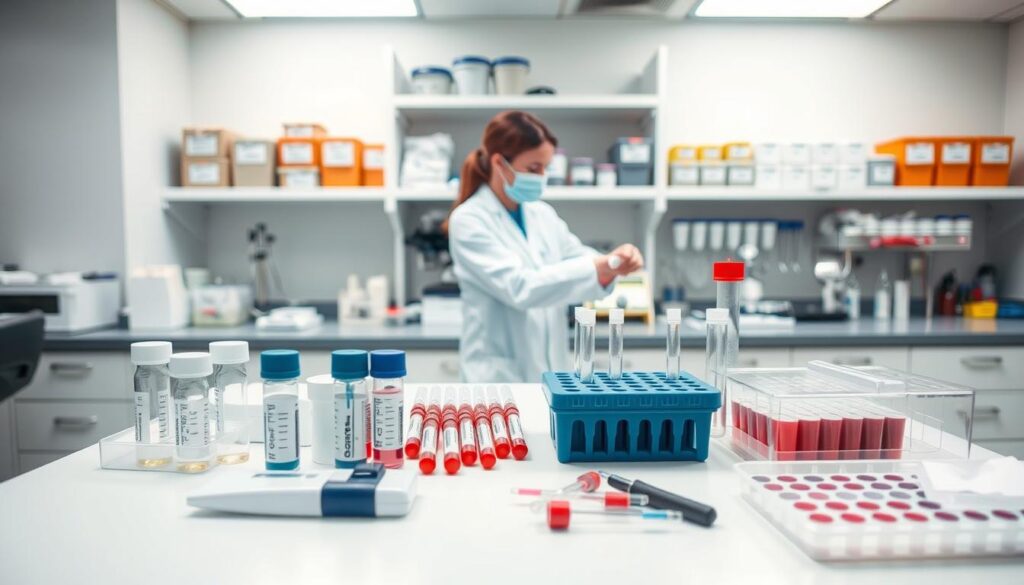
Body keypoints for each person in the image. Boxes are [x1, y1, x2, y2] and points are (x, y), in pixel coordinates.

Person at [447, 111, 644, 383]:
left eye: (545, 167)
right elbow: (520, 287)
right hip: (497, 379)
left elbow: (576, 256)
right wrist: (595, 267)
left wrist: (612, 262)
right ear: (499, 163)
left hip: (551, 373)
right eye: (533, 168)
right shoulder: (469, 220)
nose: (542, 176)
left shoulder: (542, 214)